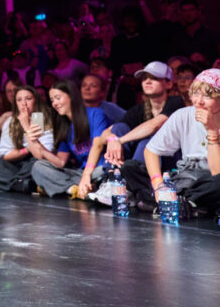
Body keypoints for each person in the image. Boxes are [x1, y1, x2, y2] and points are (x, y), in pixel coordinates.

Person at [120, 68, 220, 216]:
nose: (199, 101)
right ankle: (181, 203)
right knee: (130, 168)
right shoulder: (183, 115)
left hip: (214, 182)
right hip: (185, 178)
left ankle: (164, 202)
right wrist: (159, 185)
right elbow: (151, 150)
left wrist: (211, 130)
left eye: (207, 96)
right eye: (196, 93)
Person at [78, 61, 184, 203]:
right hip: (137, 164)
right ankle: (113, 182)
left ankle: (131, 186)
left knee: (148, 142)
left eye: (154, 78)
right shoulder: (139, 110)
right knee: (118, 129)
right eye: (144, 78)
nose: (147, 81)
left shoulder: (176, 102)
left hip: (168, 164)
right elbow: (102, 136)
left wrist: (119, 141)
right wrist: (112, 140)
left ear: (169, 84)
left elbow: (154, 125)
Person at [31, 79, 110, 197]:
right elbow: (60, 162)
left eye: (58, 98)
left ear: (71, 96)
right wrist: (38, 144)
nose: (54, 103)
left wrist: (86, 176)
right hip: (80, 174)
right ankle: (73, 189)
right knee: (38, 167)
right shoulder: (66, 126)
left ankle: (68, 187)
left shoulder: (96, 114)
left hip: (97, 170)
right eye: (52, 100)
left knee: (103, 171)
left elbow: (97, 146)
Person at [0, 85, 57, 193]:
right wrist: (27, 149)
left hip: (34, 164)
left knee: (38, 164)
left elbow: (41, 155)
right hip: (15, 164)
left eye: (28, 99)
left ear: (36, 101)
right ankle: (18, 184)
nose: (24, 103)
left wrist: (26, 125)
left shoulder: (44, 119)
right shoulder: (11, 121)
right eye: (19, 100)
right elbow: (6, 155)